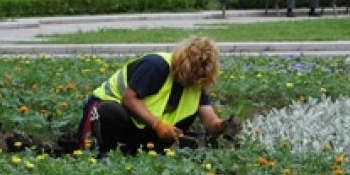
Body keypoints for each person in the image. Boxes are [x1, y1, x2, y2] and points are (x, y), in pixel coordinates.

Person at [74, 36, 232, 155]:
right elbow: (129, 99)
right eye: (192, 75)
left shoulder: (196, 82)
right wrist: (158, 125)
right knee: (110, 112)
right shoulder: (156, 66)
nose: (194, 81)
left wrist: (221, 125)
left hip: (142, 126)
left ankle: (134, 152)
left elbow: (209, 119)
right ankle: (101, 151)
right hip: (107, 112)